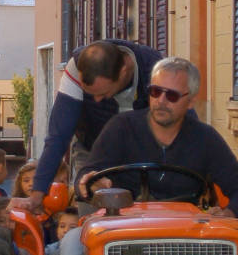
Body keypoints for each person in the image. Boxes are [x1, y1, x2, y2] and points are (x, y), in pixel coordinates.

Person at [58, 57, 238, 255]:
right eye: (155, 91)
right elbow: (88, 173)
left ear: (190, 101)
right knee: (71, 248)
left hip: (184, 238)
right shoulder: (121, 127)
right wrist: (90, 182)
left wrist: (230, 212)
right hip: (121, 230)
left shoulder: (205, 139)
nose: (162, 101)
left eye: (172, 95)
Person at [27, 39, 163, 213]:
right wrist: (38, 193)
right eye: (90, 95)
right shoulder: (76, 68)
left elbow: (182, 123)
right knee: (90, 218)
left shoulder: (154, 70)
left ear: (123, 72)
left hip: (145, 157)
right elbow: (58, 135)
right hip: (92, 152)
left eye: (103, 94)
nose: (97, 100)